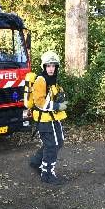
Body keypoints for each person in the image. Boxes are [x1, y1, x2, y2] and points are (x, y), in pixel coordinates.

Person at [29, 50, 67, 185]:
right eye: (48, 66)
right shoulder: (41, 80)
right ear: (44, 67)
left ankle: (36, 161)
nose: (51, 68)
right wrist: (57, 106)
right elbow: (39, 102)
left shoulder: (53, 80)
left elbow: (54, 96)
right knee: (52, 146)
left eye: (53, 66)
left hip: (53, 117)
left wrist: (61, 99)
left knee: (59, 142)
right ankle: (47, 174)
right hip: (44, 119)